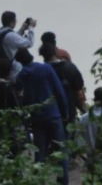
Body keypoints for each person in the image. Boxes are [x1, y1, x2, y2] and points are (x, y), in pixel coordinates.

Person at [13, 46, 70, 185]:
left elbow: (22, 99)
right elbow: (59, 90)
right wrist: (65, 112)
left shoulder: (21, 76)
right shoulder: (46, 68)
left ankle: (38, 181)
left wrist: (26, 120)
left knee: (40, 153)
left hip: (37, 118)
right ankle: (63, 181)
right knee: (61, 151)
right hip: (53, 114)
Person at [43, 39, 86, 116]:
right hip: (69, 108)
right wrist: (83, 109)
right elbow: (79, 89)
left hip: (51, 111)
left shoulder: (42, 71)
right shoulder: (69, 66)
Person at [0, 10, 35, 77]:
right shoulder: (10, 35)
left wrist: (22, 29)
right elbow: (29, 43)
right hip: (13, 69)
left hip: (3, 65)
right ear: (11, 22)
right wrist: (31, 28)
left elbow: (12, 39)